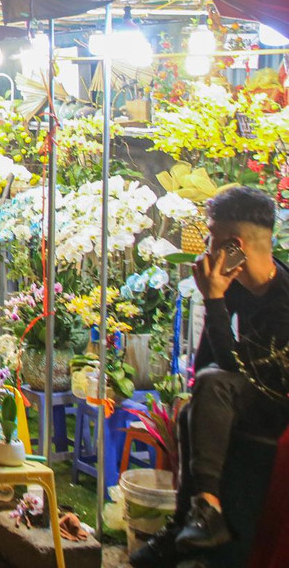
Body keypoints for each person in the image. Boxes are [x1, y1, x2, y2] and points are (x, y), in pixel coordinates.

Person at [131, 187, 289, 566]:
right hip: (246, 392)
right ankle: (186, 523)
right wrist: (216, 299)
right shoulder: (238, 286)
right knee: (192, 407)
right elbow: (208, 362)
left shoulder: (284, 297)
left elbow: (235, 372)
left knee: (213, 384)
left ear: (234, 246)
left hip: (278, 403)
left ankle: (208, 512)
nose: (205, 247)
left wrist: (214, 299)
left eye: (211, 237)